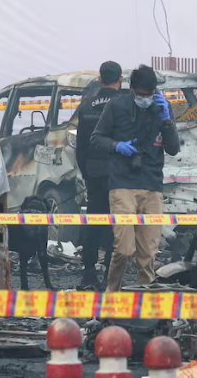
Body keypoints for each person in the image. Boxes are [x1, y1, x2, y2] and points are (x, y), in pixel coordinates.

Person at [91, 65, 180, 292]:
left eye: (149, 95)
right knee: (124, 249)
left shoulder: (163, 107)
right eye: (140, 95)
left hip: (152, 185)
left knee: (148, 253)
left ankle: (145, 304)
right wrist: (117, 146)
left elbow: (173, 149)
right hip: (122, 184)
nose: (145, 99)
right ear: (130, 88)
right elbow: (96, 139)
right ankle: (112, 295)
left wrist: (167, 121)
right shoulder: (116, 105)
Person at [75, 61, 123, 289]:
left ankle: (88, 273)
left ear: (100, 79)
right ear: (120, 79)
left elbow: (81, 146)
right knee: (117, 224)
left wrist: (86, 172)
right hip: (119, 174)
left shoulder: (86, 106)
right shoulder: (125, 104)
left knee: (93, 222)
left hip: (94, 172)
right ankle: (110, 273)